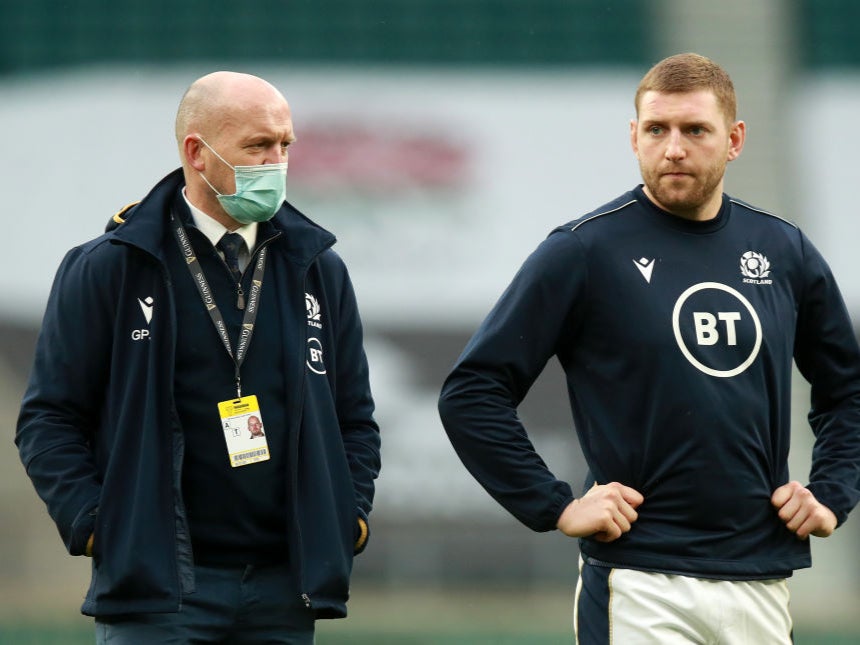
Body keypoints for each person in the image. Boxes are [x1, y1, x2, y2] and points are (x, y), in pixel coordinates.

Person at [438, 53, 860, 643]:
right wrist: (555, 505)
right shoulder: (583, 251)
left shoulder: (784, 250)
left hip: (762, 579)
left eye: (695, 130)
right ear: (634, 136)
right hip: (639, 583)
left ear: (734, 140)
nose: (675, 148)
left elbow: (848, 391)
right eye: (657, 129)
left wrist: (834, 493)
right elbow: (472, 392)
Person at [16, 71, 381, 644]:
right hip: (161, 594)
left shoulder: (317, 267)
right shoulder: (113, 265)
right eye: (258, 146)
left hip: (285, 591)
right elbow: (49, 418)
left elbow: (354, 419)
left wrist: (347, 517)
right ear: (198, 152)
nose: (277, 162)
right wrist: (97, 525)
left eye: (285, 144)